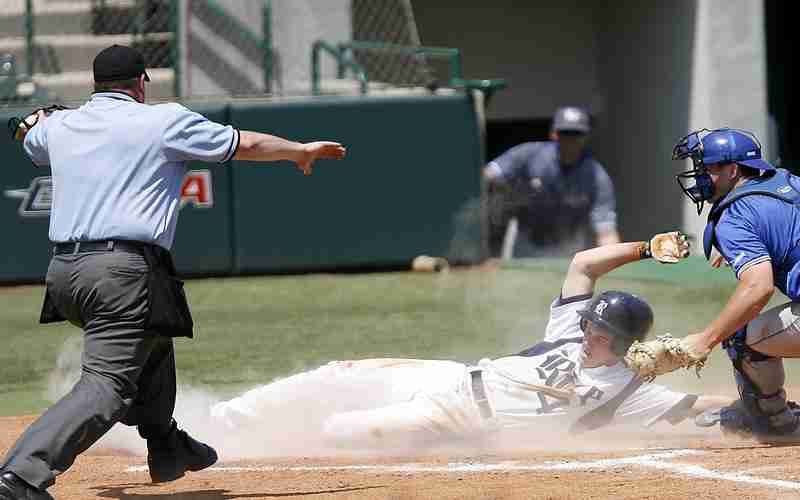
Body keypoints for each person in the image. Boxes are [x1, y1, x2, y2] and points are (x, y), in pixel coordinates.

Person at [0, 44, 346, 500]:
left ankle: (167, 445)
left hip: (65, 273)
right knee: (108, 385)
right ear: (142, 82)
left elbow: (26, 135)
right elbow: (247, 143)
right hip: (121, 271)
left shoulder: (63, 125)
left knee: (154, 335)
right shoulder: (163, 120)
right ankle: (21, 475)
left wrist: (29, 124)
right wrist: (298, 150)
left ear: (96, 84)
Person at [210, 232, 731, 450]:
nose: (590, 334)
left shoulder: (629, 391)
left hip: (458, 420)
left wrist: (765, 401)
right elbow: (582, 265)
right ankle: (220, 423)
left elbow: (703, 405)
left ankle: (261, 446)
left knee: (340, 432)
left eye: (602, 332)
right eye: (590, 325)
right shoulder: (567, 337)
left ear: (625, 343)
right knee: (337, 374)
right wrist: (645, 247)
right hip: (450, 377)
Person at [670, 127, 800, 444]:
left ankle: (775, 421)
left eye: (707, 168)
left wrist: (705, 340)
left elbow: (758, 288)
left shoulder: (735, 215)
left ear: (732, 170)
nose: (699, 176)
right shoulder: (790, 181)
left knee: (739, 335)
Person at [483, 106, 620, 259]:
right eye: (565, 133)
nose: (570, 140)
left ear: (586, 137)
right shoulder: (529, 154)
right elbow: (488, 174)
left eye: (577, 134)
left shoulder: (596, 176)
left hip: (569, 247)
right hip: (526, 242)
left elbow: (606, 231)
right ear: (554, 134)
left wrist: (615, 266)